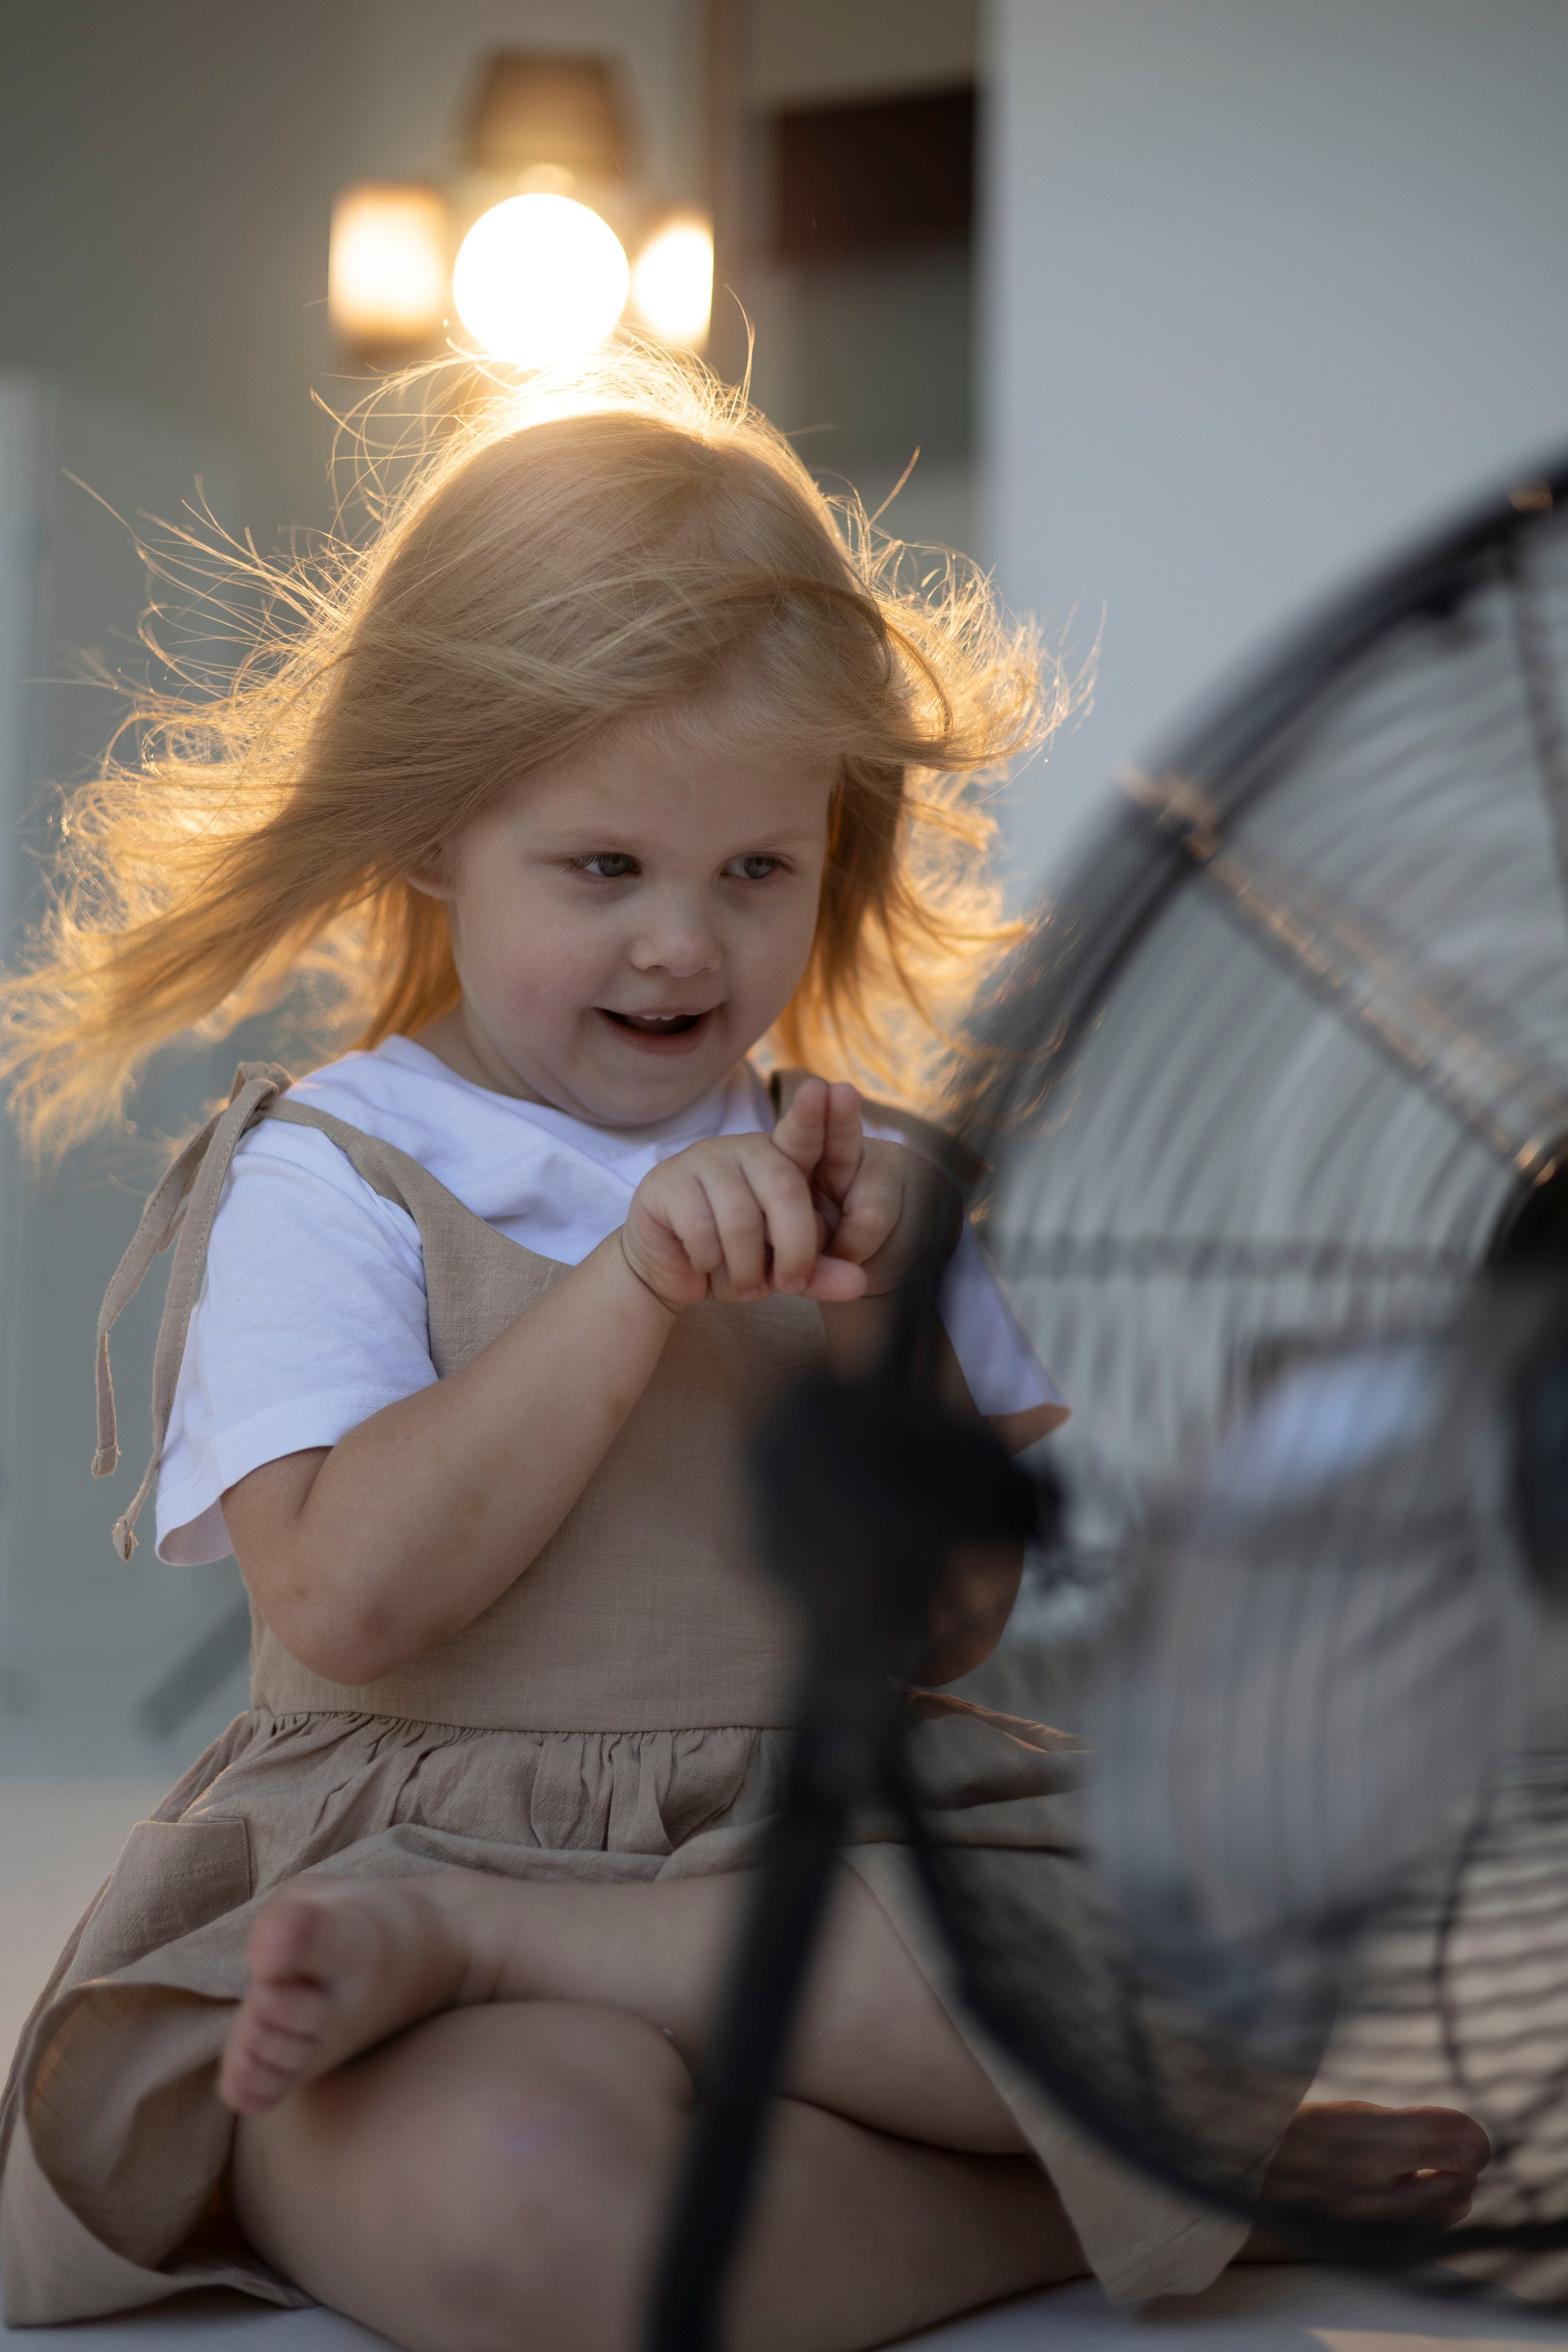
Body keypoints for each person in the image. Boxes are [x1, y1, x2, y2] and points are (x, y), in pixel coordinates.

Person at [0, 354, 1488, 2352]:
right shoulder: (336, 1170)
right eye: (604, 868)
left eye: (755, 872)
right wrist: (625, 1289)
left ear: (830, 850)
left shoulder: (864, 1175)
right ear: (436, 830)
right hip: (406, 1863)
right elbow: (348, 1598)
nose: (683, 945)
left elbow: (950, 1623)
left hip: (823, 1852)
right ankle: (1125, 2193)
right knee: (527, 2218)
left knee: (1215, 1942)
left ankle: (999, 2119)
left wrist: (878, 1336)